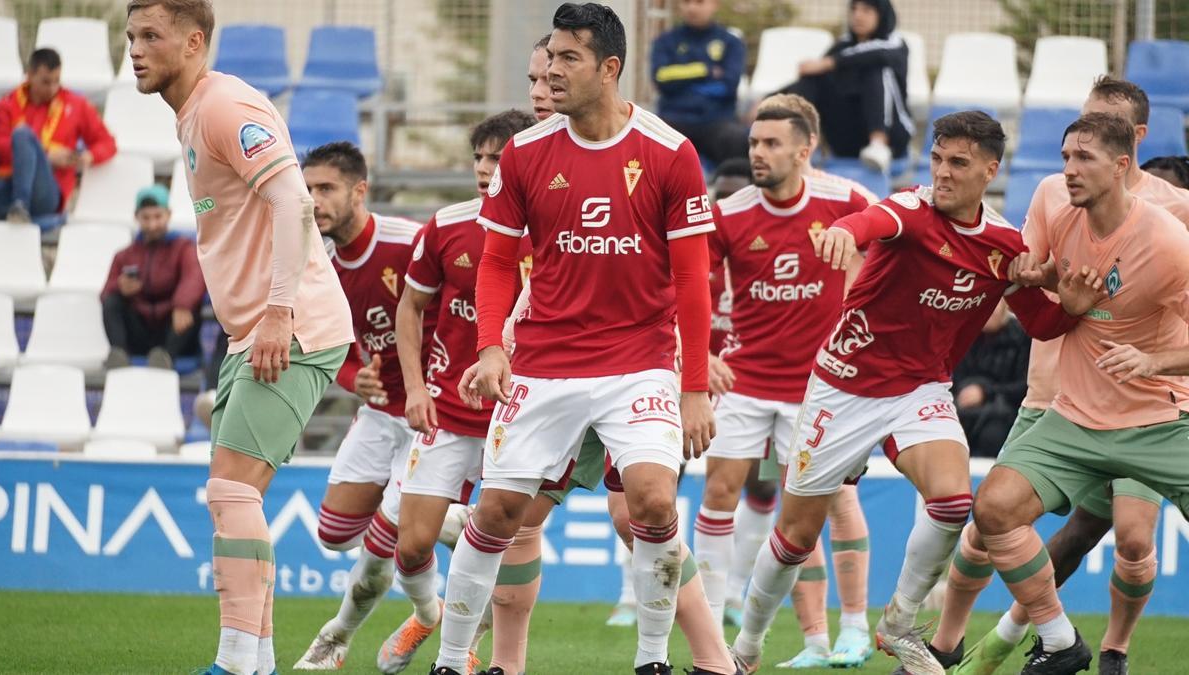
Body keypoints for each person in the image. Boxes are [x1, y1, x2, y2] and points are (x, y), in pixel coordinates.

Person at [729, 110, 1100, 675]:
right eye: (936, 159)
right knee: (796, 536)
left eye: (958, 163)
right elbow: (870, 222)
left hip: (920, 390)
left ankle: (899, 624)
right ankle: (746, 649)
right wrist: (839, 233)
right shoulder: (912, 208)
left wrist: (1069, 299)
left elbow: (1044, 326)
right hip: (842, 389)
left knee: (953, 503)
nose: (943, 173)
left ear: (990, 170)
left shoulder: (1003, 245)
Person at [436, 3, 716, 673]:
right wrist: (491, 346)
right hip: (545, 363)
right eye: (549, 58)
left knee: (650, 497)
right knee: (501, 508)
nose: (550, 73)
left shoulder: (670, 152)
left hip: (639, 363)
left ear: (608, 68)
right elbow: (499, 261)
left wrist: (695, 387)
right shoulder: (526, 154)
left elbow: (693, 281)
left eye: (567, 59)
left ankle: (653, 659)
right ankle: (449, 660)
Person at [125, 3, 354, 675]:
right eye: (130, 36)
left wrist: (279, 311)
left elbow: (293, 199)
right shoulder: (193, 111)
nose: (135, 50)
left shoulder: (225, 106)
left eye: (150, 37)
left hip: (290, 326)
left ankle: (234, 663)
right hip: (250, 332)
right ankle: (255, 660)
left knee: (232, 496)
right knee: (230, 498)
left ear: (194, 42)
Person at [933, 77, 1189, 675]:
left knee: (1131, 539)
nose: (1069, 168)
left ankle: (1112, 651)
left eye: (1085, 156)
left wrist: (1153, 362)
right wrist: (1040, 283)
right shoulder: (1051, 199)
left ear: (1126, 158)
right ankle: (1049, 641)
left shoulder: (1170, 238)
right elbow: (1036, 298)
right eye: (1067, 153)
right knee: (991, 514)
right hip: (1067, 411)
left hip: (1157, 414)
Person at [693, 103, 874, 669]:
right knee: (722, 491)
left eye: (771, 143)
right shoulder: (730, 214)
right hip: (746, 381)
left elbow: (894, 247)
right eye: (753, 142)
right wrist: (697, 355)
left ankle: (856, 627)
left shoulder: (845, 202)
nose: (757, 154)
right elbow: (688, 283)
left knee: (835, 502)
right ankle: (723, 634)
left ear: (804, 150)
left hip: (820, 386)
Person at [366, 109, 537, 675]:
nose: (486, 169)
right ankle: (427, 615)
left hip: (519, 413)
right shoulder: (447, 225)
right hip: (447, 405)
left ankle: (468, 656)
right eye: (480, 157)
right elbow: (409, 307)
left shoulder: (552, 232)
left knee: (506, 537)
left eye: (498, 157)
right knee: (411, 547)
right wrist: (414, 388)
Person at [293, 141, 461, 670]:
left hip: (431, 413)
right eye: (308, 190)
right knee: (336, 534)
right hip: (380, 413)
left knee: (386, 547)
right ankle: (452, 529)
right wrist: (352, 379)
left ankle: (336, 637)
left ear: (359, 190)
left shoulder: (407, 242)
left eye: (326, 189)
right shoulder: (315, 263)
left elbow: (463, 303)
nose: (314, 201)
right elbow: (328, 346)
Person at [778, 0, 911, 172]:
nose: (858, 15)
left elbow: (875, 54)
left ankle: (878, 142)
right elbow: (816, 75)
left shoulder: (895, 44)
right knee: (813, 79)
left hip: (892, 140)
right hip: (847, 138)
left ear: (882, 15)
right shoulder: (842, 45)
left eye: (866, 10)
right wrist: (772, 98)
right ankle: (794, 141)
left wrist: (830, 62)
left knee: (875, 68)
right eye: (854, 9)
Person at [0, 47, 116, 223]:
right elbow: (0, 148)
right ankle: (18, 208)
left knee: (21, 134)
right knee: (22, 136)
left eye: (57, 81)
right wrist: (47, 155)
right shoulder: (5, 105)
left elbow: (107, 143)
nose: (53, 88)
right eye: (46, 82)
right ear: (30, 75)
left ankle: (20, 205)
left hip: (47, 192)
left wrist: (89, 156)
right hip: (8, 183)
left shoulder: (76, 105)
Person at [102, 184, 206, 370]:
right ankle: (119, 353)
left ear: (168, 215)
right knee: (112, 301)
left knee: (189, 308)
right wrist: (121, 287)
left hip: (172, 330)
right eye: (146, 218)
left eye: (157, 217)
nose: (152, 224)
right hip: (140, 331)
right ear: (137, 217)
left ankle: (166, 356)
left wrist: (182, 304)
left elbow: (195, 278)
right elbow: (106, 292)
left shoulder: (183, 248)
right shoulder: (124, 255)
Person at [650, 0, 748, 166]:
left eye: (699, 2)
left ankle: (729, 188)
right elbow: (661, 78)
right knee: (650, 140)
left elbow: (728, 86)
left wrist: (683, 82)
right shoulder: (665, 41)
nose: (692, 7)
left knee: (738, 139)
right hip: (674, 118)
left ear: (715, 4)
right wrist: (705, 71)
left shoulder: (731, 42)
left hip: (716, 120)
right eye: (686, 2)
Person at [951, 300, 1029, 458]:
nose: (988, 312)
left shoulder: (1023, 337)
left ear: (1005, 305)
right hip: (963, 410)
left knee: (992, 435)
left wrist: (985, 391)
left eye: (993, 305)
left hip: (1005, 413)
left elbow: (1026, 386)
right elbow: (952, 378)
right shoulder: (964, 334)